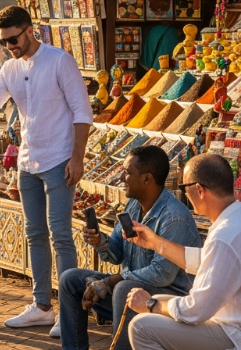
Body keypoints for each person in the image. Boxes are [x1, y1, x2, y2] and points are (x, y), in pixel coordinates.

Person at [0, 6, 92, 332]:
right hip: (28, 162)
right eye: (4, 42)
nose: (10, 47)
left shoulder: (60, 60)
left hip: (59, 159)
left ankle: (69, 313)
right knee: (34, 234)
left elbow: (82, 113)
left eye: (13, 39)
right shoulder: (10, 68)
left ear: (29, 30)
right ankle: (42, 305)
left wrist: (77, 158)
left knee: (60, 234)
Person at [58, 146, 200, 348]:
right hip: (129, 292)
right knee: (70, 279)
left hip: (168, 301)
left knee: (125, 288)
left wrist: (112, 281)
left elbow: (162, 274)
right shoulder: (133, 206)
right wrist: (101, 242)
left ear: (147, 179)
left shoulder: (174, 218)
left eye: (127, 172)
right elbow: (116, 254)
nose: (122, 178)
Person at [125, 154, 241, 350]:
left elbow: (197, 309)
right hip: (229, 322)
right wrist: (155, 243)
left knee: (141, 327)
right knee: (160, 302)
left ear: (199, 189)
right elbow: (203, 260)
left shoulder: (225, 235)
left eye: (183, 188)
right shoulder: (233, 218)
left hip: (232, 332)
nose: (185, 194)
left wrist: (151, 305)